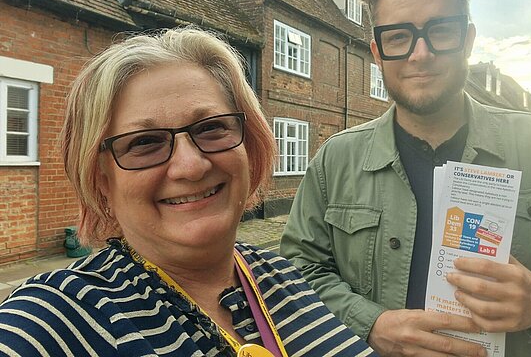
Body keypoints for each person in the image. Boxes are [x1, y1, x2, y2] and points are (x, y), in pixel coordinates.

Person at [280, 0, 531, 356]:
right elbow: (297, 272)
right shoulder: (334, 161)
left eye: (440, 31)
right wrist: (369, 324)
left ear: (467, 39)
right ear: (377, 52)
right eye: (398, 37)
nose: (420, 54)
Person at [0, 27, 377, 356]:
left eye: (211, 128)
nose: (191, 166)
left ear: (250, 145)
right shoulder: (51, 319)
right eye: (144, 142)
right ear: (102, 180)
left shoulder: (282, 273)